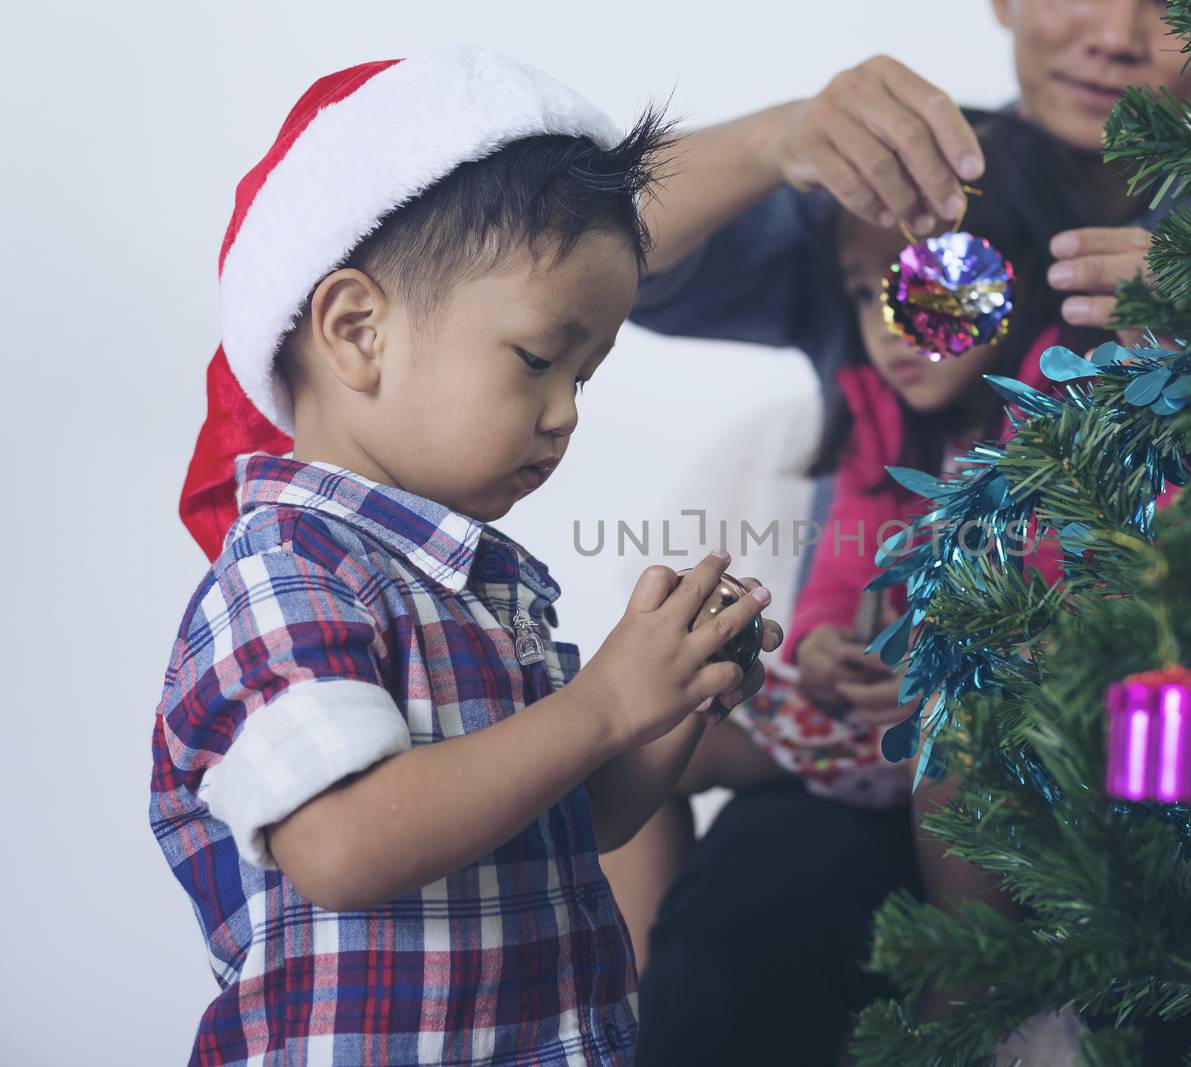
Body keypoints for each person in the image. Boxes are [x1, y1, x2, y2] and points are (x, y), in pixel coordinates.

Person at [148, 48, 782, 1066]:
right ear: (358, 330)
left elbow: (581, 816)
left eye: (587, 375)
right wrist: (603, 703)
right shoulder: (285, 571)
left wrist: (674, 700)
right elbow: (345, 844)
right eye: (539, 357)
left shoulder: (482, 588)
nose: (566, 409)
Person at [613, 3, 1191, 1062]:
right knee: (642, 750)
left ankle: (963, 995)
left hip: (1139, 744)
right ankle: (607, 1007)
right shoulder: (901, 226)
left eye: (943, 290)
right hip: (879, 735)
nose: (1117, 33)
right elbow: (612, 258)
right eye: (866, 294)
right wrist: (775, 135)